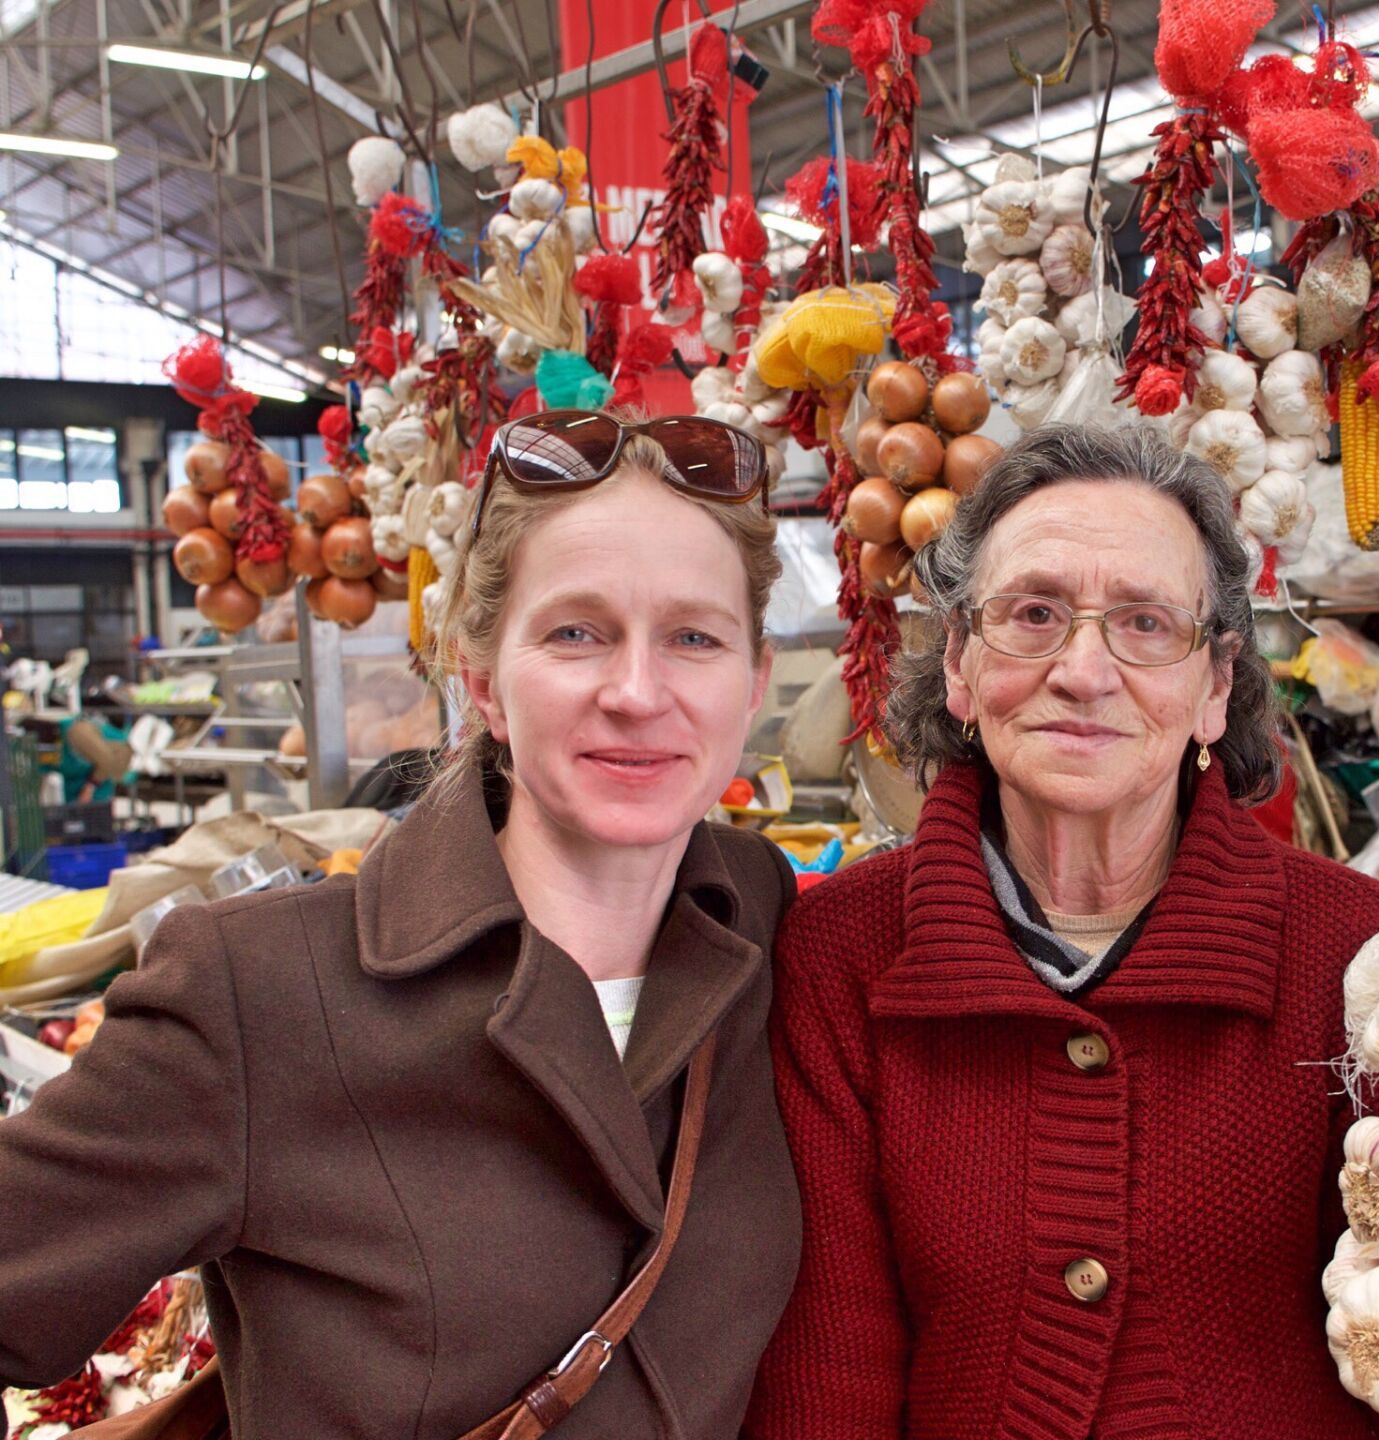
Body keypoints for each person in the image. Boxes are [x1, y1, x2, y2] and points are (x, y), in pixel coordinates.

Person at [747, 425, 1379, 1439]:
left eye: (1147, 624)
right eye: (1033, 614)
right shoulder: (840, 955)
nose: (1084, 668)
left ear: (1214, 686)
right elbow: (827, 1386)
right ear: (964, 671)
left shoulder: (1369, 959)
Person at [0, 410, 803, 1438]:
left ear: (755, 684)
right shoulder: (259, 995)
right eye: (575, 633)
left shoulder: (763, 923)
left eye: (694, 637)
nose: (638, 692)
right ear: (481, 681)